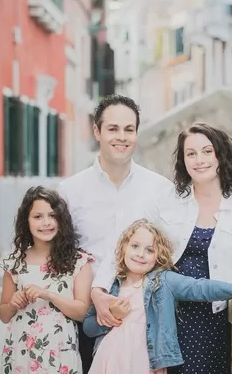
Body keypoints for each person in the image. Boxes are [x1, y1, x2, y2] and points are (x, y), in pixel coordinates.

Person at [92, 122, 232, 374]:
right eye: (191, 153)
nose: (199, 160)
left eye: (207, 151)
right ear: (183, 160)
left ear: (221, 154)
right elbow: (124, 242)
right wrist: (98, 290)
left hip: (214, 315)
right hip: (163, 313)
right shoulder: (167, 201)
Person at [57, 94, 172, 371]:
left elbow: (171, 251)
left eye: (129, 129)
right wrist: (95, 294)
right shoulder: (69, 191)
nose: (121, 137)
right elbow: (59, 257)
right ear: (97, 131)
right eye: (113, 129)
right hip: (83, 319)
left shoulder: (161, 189)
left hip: (140, 321)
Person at [83, 219, 232, 374]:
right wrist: (111, 316)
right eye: (135, 246)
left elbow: (199, 287)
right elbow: (88, 327)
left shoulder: (164, 281)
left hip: (145, 362)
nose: (140, 254)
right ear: (123, 248)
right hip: (108, 360)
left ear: (158, 256)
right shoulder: (110, 284)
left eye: (150, 250)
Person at [0, 186, 93, 374]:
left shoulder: (79, 262)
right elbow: (3, 314)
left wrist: (48, 294)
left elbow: (83, 312)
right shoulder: (14, 263)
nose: (46, 222)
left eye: (52, 215)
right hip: (21, 352)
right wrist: (13, 304)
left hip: (60, 354)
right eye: (37, 217)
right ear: (27, 221)